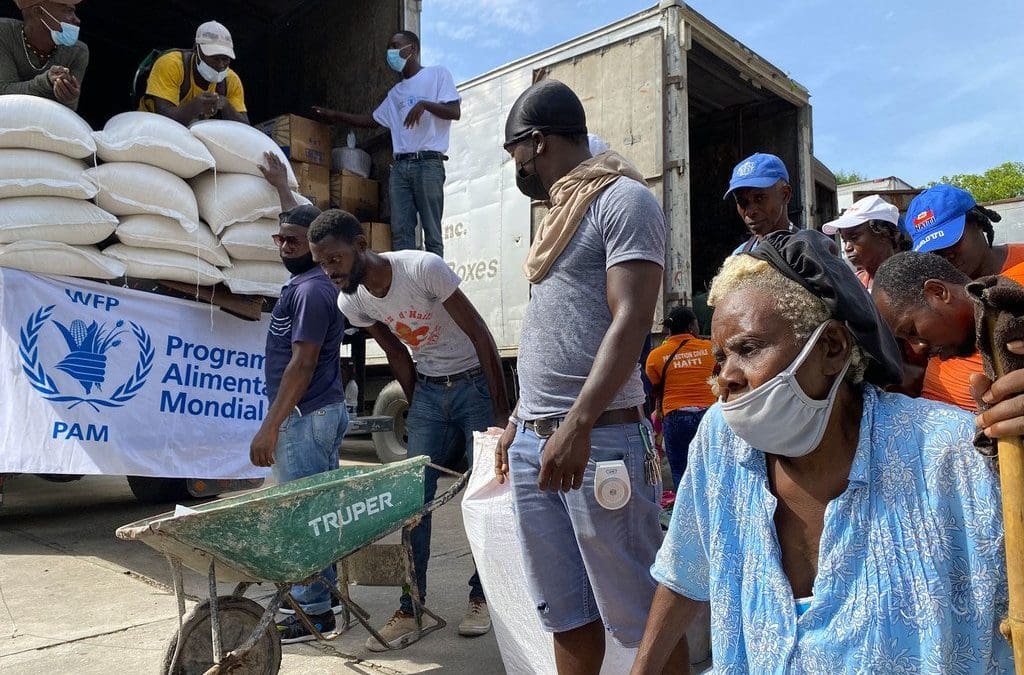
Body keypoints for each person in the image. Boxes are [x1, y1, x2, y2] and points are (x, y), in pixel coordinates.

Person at [632, 230, 1012, 673]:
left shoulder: (948, 452)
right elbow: (684, 570)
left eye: (748, 349)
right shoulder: (721, 441)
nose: (726, 378)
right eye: (721, 359)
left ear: (832, 347)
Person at [493, 79, 667, 674]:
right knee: (566, 612)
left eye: (515, 151)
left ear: (537, 142)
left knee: (645, 614)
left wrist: (578, 424)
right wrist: (520, 419)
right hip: (539, 440)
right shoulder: (562, 215)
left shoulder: (623, 200)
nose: (516, 166)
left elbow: (633, 318)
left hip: (599, 439)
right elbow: (555, 332)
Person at [307, 210, 509, 650]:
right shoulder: (352, 301)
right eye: (321, 264)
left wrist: (499, 413)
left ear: (361, 245)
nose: (330, 272)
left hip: (475, 385)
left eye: (335, 259)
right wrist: (420, 406)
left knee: (483, 496)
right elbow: (397, 352)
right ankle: (410, 606)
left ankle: (482, 597)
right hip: (430, 390)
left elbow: (480, 334)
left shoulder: (422, 269)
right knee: (412, 503)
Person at [248, 153, 347, 643]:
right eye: (280, 239)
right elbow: (300, 217)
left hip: (305, 417)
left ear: (313, 246)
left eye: (293, 241)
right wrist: (282, 187)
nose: (284, 247)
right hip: (316, 412)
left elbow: (301, 365)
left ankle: (312, 612)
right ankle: (323, 597)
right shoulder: (310, 282)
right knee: (318, 511)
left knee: (304, 514)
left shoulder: (309, 291)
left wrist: (270, 426)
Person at [313, 30, 459, 258]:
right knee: (401, 233)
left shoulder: (437, 75)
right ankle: (407, 279)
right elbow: (372, 121)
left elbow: (454, 111)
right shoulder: (395, 93)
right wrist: (336, 115)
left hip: (428, 163)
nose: (390, 52)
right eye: (389, 48)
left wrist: (424, 105)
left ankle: (435, 280)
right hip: (400, 167)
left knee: (432, 234)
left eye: (395, 46)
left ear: (412, 49)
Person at [644, 305, 714, 491]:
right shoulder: (709, 348)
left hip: (676, 417)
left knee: (681, 471)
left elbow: (651, 388)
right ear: (691, 326)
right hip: (709, 416)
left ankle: (685, 507)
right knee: (712, 467)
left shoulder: (656, 356)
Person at [138, 21, 248, 125]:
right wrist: (195, 106)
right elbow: (163, 118)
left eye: (225, 59)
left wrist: (226, 106)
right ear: (196, 49)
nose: (220, 65)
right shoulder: (171, 64)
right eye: (214, 58)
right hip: (148, 124)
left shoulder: (231, 80)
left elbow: (246, 128)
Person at [908, 183, 1021, 278]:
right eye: (935, 252)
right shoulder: (938, 292)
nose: (947, 257)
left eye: (952, 241)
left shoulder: (1020, 261)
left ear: (977, 223)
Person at [0, 0, 87, 110]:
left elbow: (69, 111)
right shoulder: (4, 33)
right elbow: (4, 95)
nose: (77, 20)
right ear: (39, 11)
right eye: (68, 11)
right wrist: (46, 81)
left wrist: (69, 98)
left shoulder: (78, 52)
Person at [822, 194, 906, 290]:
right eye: (844, 240)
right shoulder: (852, 285)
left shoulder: (911, 283)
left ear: (884, 234)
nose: (847, 247)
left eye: (854, 238)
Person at [725, 152, 797, 255]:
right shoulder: (740, 255)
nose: (750, 212)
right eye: (742, 201)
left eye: (759, 198)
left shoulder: (811, 251)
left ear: (785, 195)